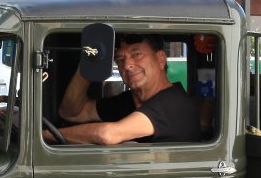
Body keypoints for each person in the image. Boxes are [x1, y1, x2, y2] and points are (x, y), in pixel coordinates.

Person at [54, 33, 203, 144]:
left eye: (136, 54)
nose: (126, 65)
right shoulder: (129, 100)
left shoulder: (175, 103)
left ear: (160, 59)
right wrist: (88, 66)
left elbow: (107, 135)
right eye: (120, 60)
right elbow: (71, 113)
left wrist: (45, 136)